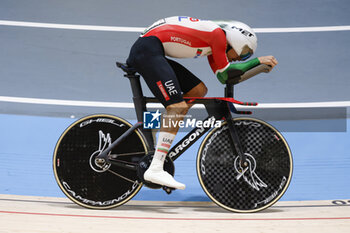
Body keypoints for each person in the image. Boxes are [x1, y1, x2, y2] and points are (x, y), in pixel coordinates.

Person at [126, 16, 278, 190]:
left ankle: (165, 128)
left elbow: (224, 77)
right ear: (236, 40)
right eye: (244, 52)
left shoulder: (215, 42)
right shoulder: (217, 36)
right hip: (146, 50)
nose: (242, 58)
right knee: (177, 107)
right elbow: (228, 72)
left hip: (151, 49)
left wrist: (257, 69)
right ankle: (156, 168)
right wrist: (258, 61)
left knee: (198, 91)